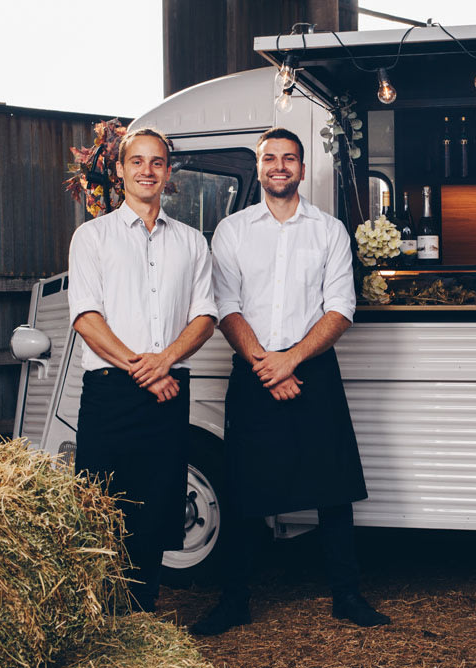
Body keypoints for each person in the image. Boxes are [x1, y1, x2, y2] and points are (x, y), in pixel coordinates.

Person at [191, 127, 389, 635]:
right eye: (270, 158)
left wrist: (292, 360)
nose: (279, 166)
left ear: (302, 168)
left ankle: (347, 596)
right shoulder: (232, 231)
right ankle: (234, 600)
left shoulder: (329, 230)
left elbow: (341, 308)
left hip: (313, 371)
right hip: (255, 369)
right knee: (240, 490)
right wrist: (267, 364)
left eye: (289, 158)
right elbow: (226, 306)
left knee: (334, 488)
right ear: (258, 167)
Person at [68, 128, 217, 612]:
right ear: (119, 171)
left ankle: (142, 610)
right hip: (111, 392)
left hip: (169, 389)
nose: (147, 170)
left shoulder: (192, 242)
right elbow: (87, 319)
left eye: (157, 162)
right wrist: (144, 368)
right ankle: (102, 613)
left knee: (155, 504)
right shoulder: (92, 237)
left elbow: (205, 317)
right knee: (103, 503)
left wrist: (164, 362)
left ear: (168, 173)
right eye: (137, 161)